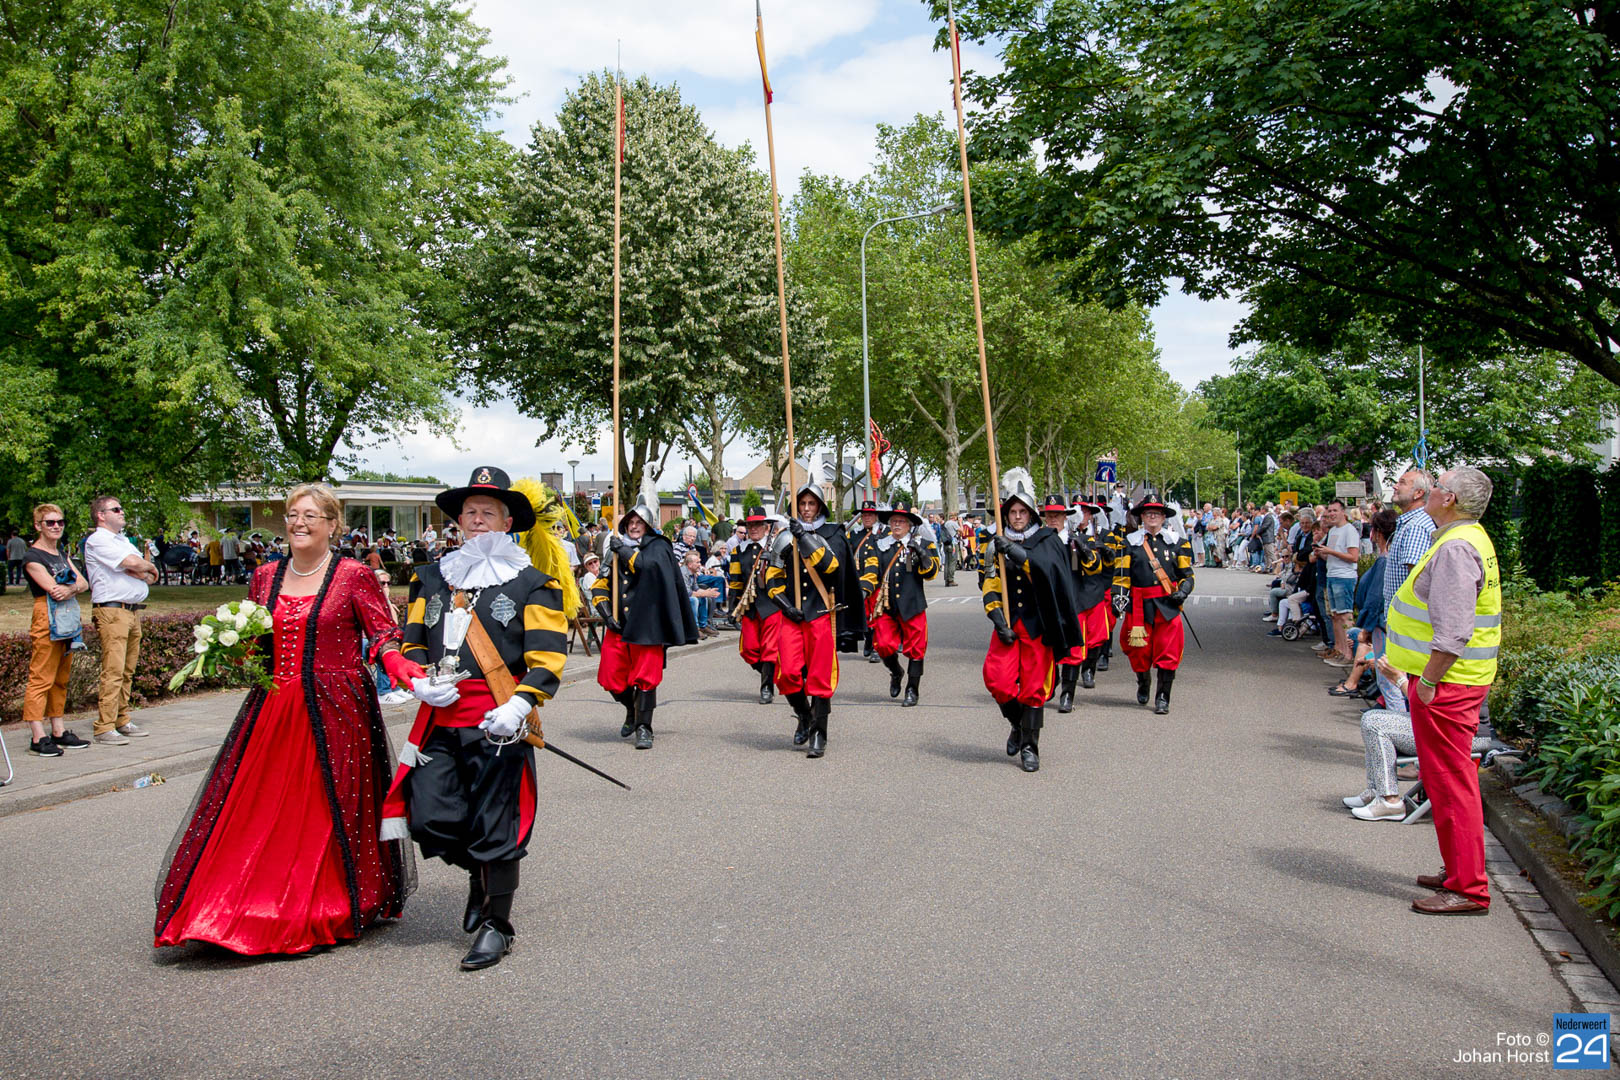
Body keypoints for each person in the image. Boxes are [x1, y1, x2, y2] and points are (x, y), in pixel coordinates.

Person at [155, 483, 414, 955]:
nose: (299, 522)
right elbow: (259, 644)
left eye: (311, 515)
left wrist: (397, 664)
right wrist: (232, 650)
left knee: (323, 807)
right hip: (274, 705)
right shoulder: (265, 576)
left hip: (337, 708)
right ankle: (230, 904)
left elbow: (381, 634)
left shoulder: (352, 575)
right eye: (293, 514)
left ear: (332, 525)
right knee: (262, 804)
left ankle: (319, 902)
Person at [381, 466, 570, 968]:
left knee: (496, 823)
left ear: (508, 523)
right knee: (429, 817)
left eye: (489, 512)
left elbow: (548, 656)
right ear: (459, 520)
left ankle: (497, 925)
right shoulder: (431, 578)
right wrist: (419, 680)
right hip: (440, 721)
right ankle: (479, 876)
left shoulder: (534, 583)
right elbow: (413, 642)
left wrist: (519, 705)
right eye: (470, 512)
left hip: (498, 723)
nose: (478, 519)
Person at [1385, 467, 1501, 915]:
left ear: (1449, 499)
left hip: (1447, 684)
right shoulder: (1467, 538)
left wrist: (1428, 683)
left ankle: (1468, 888)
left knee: (1451, 784)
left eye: (1436, 486)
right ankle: (1457, 872)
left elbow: (1453, 632)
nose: (1430, 491)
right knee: (1445, 780)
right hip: (1454, 681)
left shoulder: (1454, 547)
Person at [981, 470, 1083, 773]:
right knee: (997, 680)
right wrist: (997, 619)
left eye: (1022, 512)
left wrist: (1015, 552)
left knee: (1034, 688)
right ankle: (1017, 723)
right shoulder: (994, 543)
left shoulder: (1047, 539)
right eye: (1012, 512)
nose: (1016, 517)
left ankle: (1030, 746)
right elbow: (989, 583)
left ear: (1031, 514)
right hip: (1010, 624)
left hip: (1039, 623)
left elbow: (1048, 571)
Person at [592, 485, 698, 750]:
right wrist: (606, 613)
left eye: (639, 522)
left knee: (646, 677)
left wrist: (624, 551)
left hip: (649, 624)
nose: (634, 526)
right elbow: (600, 585)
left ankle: (644, 727)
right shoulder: (614, 549)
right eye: (630, 522)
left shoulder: (658, 546)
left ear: (648, 525)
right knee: (610, 678)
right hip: (620, 624)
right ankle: (632, 709)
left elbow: (646, 566)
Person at [765, 483, 867, 758]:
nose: (806, 509)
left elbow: (831, 567)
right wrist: (785, 605)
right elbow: (772, 577)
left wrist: (804, 537)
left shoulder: (832, 533)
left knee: (820, 675)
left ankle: (819, 733)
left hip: (821, 612)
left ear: (820, 506)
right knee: (787, 673)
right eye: (802, 504)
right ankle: (804, 714)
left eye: (811, 504)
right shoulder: (785, 537)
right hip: (793, 615)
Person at [82, 496, 159, 745]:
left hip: (131, 611)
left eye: (121, 508)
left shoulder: (122, 540)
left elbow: (148, 574)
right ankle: (104, 726)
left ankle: (122, 719)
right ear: (101, 515)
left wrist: (143, 568)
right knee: (113, 670)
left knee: (127, 670)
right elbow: (131, 563)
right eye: (116, 509)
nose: (122, 512)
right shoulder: (98, 540)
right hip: (112, 610)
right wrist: (142, 567)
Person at [1114, 498, 1195, 715]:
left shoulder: (1178, 543)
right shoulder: (1129, 543)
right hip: (1139, 606)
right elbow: (1121, 576)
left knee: (1169, 652)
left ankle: (1163, 697)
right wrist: (1118, 598)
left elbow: (1187, 575)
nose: (1152, 516)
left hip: (1167, 604)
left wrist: (1183, 591)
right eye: (1148, 512)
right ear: (1141, 516)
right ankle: (1143, 681)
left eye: (1157, 513)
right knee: (1139, 652)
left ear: (1163, 517)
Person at [21, 505, 91, 756]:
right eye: (49, 522)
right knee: (41, 677)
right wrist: (73, 587)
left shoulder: (61, 553)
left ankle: (58, 730)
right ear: (38, 525)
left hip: (67, 616)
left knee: (61, 677)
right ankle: (37, 736)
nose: (56, 526)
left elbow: (82, 583)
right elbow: (53, 590)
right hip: (47, 615)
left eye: (60, 522)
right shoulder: (33, 556)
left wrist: (71, 588)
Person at [866, 503, 938, 706]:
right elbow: (871, 572)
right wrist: (863, 590)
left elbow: (932, 573)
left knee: (916, 649)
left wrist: (922, 555)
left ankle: (912, 689)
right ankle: (896, 671)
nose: (897, 525)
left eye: (901, 521)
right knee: (883, 645)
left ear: (909, 525)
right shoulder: (879, 544)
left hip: (912, 604)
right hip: (887, 606)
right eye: (894, 521)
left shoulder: (924, 544)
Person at [1040, 494, 1095, 714]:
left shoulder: (1074, 541)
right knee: (1046, 649)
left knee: (1073, 651)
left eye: (1057, 514)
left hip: (1072, 603)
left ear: (1065, 516)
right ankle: (1050, 684)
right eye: (1049, 515)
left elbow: (1093, 569)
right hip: (1046, 604)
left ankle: (1068, 695)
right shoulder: (1038, 542)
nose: (1053, 518)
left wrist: (1086, 553)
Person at [727, 509, 783, 704]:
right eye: (750, 525)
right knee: (748, 650)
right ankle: (772, 675)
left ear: (766, 527)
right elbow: (735, 581)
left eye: (757, 525)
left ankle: (766, 687)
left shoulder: (776, 547)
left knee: (769, 648)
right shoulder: (738, 551)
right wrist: (732, 607)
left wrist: (773, 558)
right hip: (749, 606)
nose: (753, 529)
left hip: (771, 604)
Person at [1319, 499, 1361, 665]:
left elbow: (1353, 557)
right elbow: (1332, 555)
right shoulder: (1333, 531)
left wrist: (1330, 551)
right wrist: (1322, 553)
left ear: (1343, 512)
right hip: (1331, 574)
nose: (1331, 514)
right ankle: (1339, 649)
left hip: (1344, 577)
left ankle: (1349, 654)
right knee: (1335, 615)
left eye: (1335, 510)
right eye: (1329, 511)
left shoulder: (1349, 530)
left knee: (1345, 615)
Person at [848, 499, 885, 662]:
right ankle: (869, 640)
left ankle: (877, 647)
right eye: (864, 515)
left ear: (876, 516)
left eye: (870, 514)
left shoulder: (883, 533)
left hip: (877, 580)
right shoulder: (855, 534)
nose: (867, 517)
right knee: (863, 615)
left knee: (877, 614)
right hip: (859, 581)